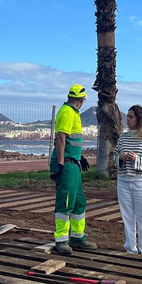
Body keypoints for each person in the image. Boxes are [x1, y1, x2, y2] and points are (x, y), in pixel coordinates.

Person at [49, 84, 95, 256]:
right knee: (66, 201)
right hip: (67, 164)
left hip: (72, 162)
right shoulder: (68, 112)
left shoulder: (72, 112)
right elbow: (61, 138)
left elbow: (70, 141)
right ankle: (61, 240)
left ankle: (77, 237)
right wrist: (61, 163)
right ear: (82, 100)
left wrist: (78, 157)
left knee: (79, 201)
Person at [113, 105, 142, 255]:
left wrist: (137, 159)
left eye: (131, 117)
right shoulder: (123, 137)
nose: (127, 119)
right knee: (127, 218)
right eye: (127, 116)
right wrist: (120, 159)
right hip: (124, 181)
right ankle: (130, 249)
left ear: (139, 119)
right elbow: (114, 156)